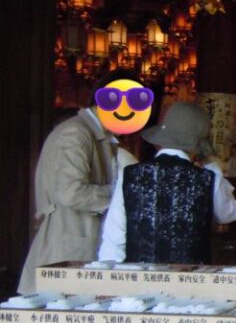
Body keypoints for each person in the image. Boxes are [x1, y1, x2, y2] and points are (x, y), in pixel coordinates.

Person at [17, 69, 143, 294]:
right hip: (67, 249)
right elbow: (70, 192)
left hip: (78, 246)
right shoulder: (75, 133)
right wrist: (122, 197)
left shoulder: (96, 135)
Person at [98, 101, 236, 264]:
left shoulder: (129, 175)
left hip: (141, 280)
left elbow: (114, 238)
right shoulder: (207, 178)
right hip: (192, 282)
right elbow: (229, 214)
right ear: (197, 147)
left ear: (162, 139)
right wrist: (213, 166)